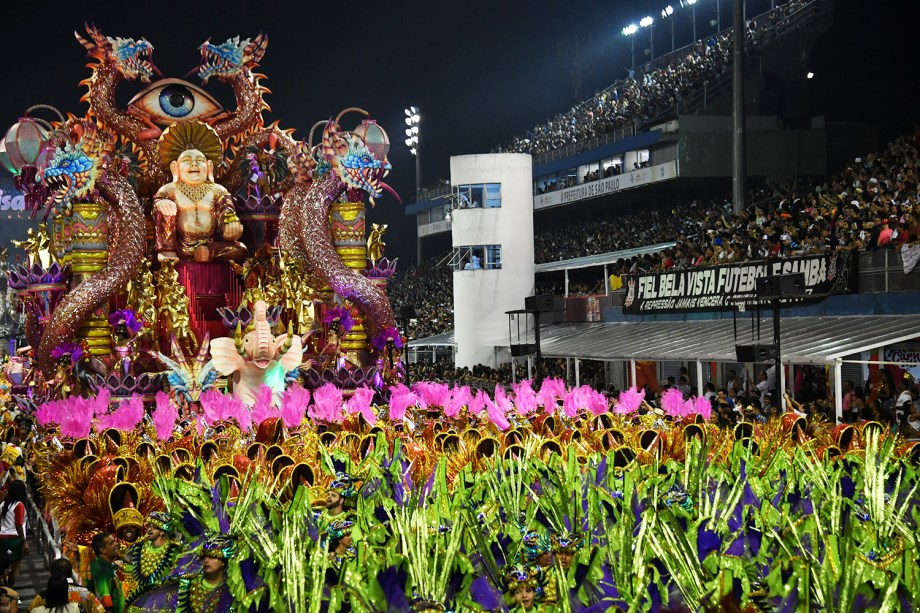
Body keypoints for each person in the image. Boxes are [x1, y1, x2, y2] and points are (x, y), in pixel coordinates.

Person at [153, 121, 245, 263]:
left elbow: (226, 212)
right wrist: (162, 203)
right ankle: (166, 251)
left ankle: (207, 253)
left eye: (200, 160)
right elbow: (157, 215)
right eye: (187, 160)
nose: (194, 164)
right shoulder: (169, 190)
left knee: (240, 250)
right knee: (164, 207)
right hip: (178, 247)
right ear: (175, 168)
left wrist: (231, 228)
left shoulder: (217, 191)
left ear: (209, 167)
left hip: (210, 245)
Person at [28, 558, 104, 613]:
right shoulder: (86, 593)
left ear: (51, 574)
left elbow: (30, 610)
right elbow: (100, 611)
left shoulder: (44, 595)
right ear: (71, 573)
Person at [0, 481, 28, 587]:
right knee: (15, 567)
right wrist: (24, 541)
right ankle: (9, 590)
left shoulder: (3, 504)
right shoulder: (19, 505)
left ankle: (3, 589)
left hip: (2, 539)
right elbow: (18, 525)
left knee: (3, 566)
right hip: (13, 541)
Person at [87, 533, 123, 613]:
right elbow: (106, 608)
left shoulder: (107, 564)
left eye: (115, 541)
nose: (117, 544)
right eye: (112, 543)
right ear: (103, 550)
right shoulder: (101, 572)